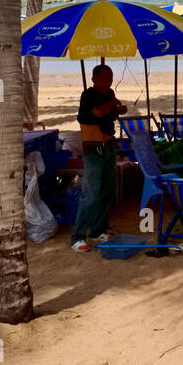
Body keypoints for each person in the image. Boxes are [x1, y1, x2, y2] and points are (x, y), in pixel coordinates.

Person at [72, 63, 127, 251]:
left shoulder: (109, 94)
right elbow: (96, 112)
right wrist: (111, 104)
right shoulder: (88, 95)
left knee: (106, 192)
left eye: (110, 77)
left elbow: (109, 114)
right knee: (91, 195)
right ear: (94, 79)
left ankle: (98, 231)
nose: (109, 81)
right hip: (93, 149)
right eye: (105, 77)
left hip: (109, 146)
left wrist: (118, 110)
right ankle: (78, 237)